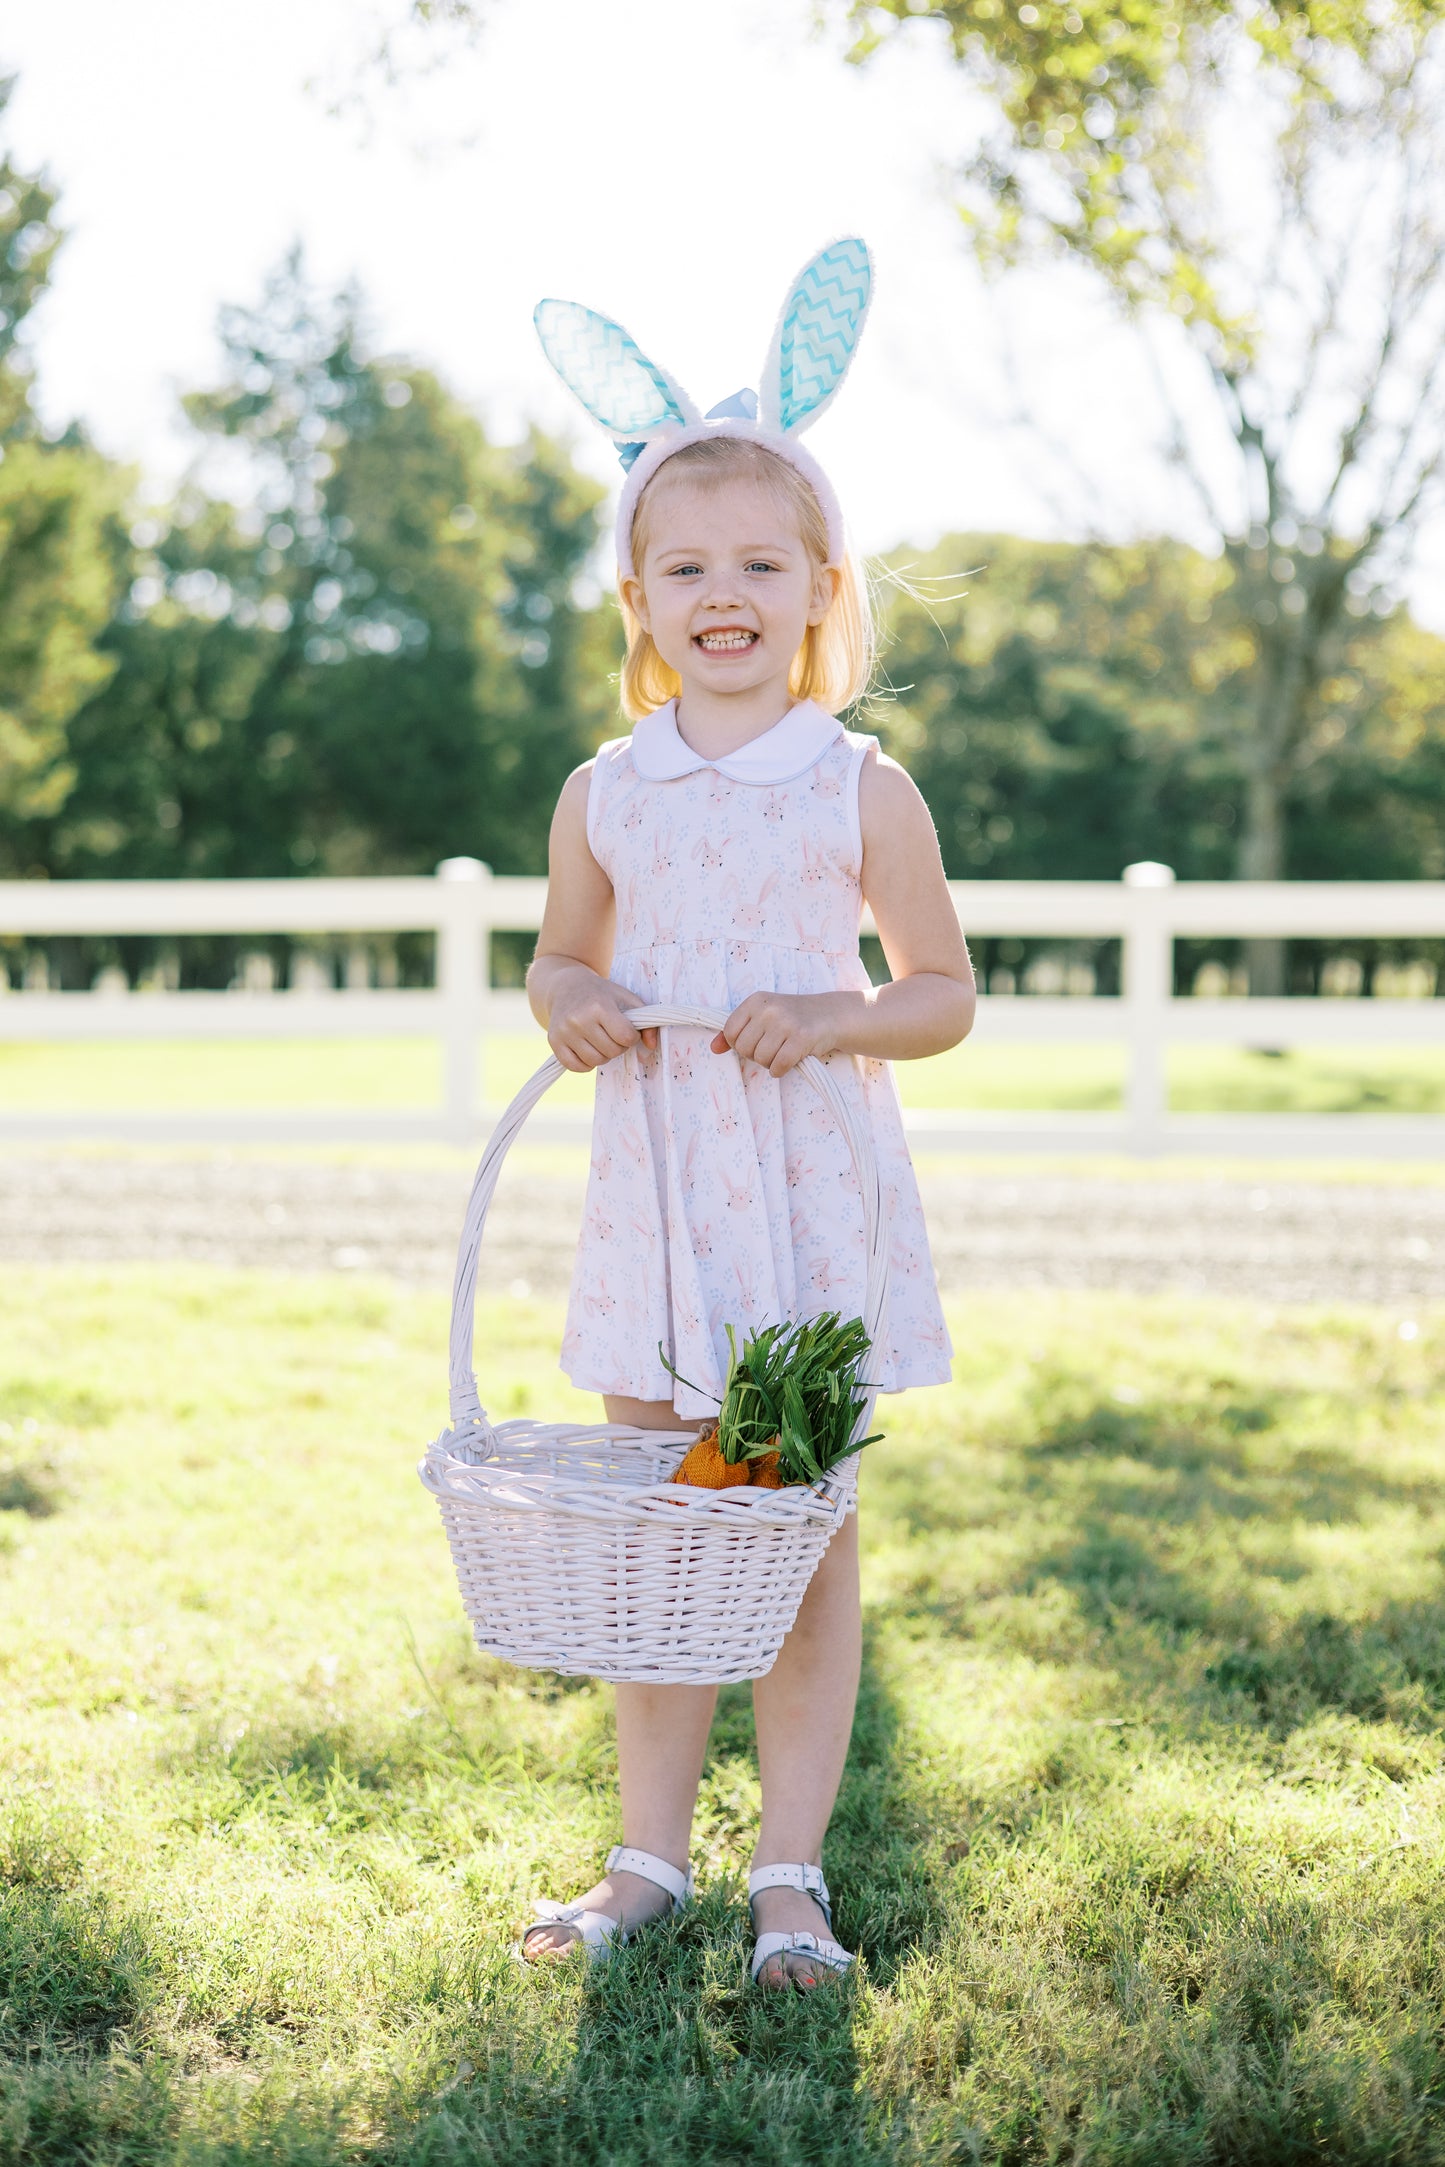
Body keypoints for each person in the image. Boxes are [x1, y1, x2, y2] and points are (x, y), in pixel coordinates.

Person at [520, 242, 975, 1989]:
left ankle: (789, 1870)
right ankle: (645, 1856)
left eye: (758, 564)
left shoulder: (859, 784)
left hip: (797, 1196)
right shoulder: (602, 790)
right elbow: (563, 959)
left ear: (816, 589)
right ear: (636, 595)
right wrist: (567, 1002)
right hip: (651, 1189)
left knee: (788, 1523)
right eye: (683, 563)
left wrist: (837, 1013)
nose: (722, 591)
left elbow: (938, 994)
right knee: (660, 1519)